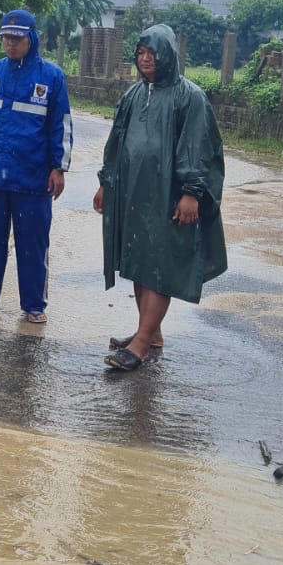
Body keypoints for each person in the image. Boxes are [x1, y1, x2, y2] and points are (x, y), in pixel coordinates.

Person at [93, 24, 228, 371]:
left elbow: (199, 148)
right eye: (140, 52)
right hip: (136, 195)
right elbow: (116, 142)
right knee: (139, 261)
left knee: (161, 267)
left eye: (152, 53)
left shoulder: (189, 97)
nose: (145, 59)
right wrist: (106, 183)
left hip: (171, 198)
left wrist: (191, 193)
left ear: (168, 54)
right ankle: (150, 333)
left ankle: (140, 344)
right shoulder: (134, 95)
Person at [0, 9, 73, 323]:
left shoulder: (51, 77)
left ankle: (34, 305)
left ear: (31, 38)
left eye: (17, 38)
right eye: (6, 38)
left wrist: (58, 167)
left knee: (33, 245)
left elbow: (60, 126)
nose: (10, 44)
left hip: (33, 178)